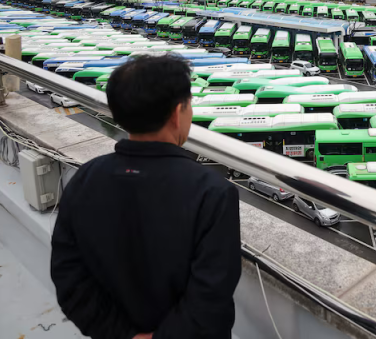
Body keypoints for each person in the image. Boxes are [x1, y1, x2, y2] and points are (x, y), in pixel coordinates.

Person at [51, 54, 241, 338]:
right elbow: (211, 294)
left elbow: (69, 276)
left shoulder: (85, 179)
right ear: (178, 114)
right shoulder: (212, 192)